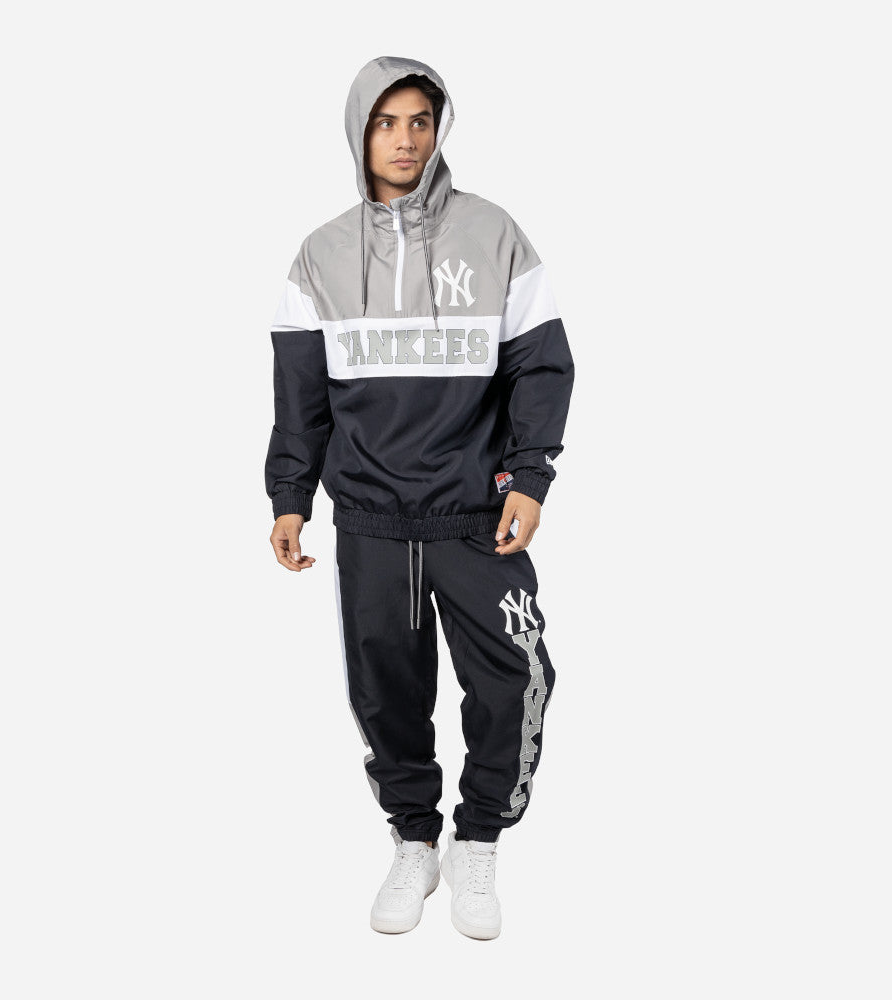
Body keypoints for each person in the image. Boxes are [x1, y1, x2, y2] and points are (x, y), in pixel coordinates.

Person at [264, 56, 574, 940]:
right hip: (370, 520)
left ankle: (479, 839)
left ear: (439, 131)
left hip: (477, 518)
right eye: (386, 122)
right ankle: (414, 839)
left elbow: (540, 367)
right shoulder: (319, 256)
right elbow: (300, 398)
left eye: (420, 122)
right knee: (386, 695)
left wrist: (530, 477)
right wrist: (290, 495)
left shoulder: (493, 232)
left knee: (514, 679)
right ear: (359, 131)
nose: (404, 140)